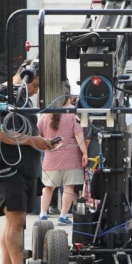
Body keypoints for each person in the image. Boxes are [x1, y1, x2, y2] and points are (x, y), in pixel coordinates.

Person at [0, 61, 57, 264]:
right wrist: (32, 140)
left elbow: (26, 130)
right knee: (16, 220)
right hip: (7, 167)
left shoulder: (24, 99)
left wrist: (40, 142)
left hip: (26, 166)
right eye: (36, 85)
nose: (36, 91)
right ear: (26, 76)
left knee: (14, 221)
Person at [37, 89, 87, 226]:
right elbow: (79, 135)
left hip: (50, 158)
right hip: (71, 158)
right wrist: (85, 153)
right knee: (68, 187)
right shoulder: (71, 116)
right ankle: (63, 216)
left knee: (48, 187)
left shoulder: (45, 116)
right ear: (66, 100)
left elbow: (38, 135)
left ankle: (43, 214)